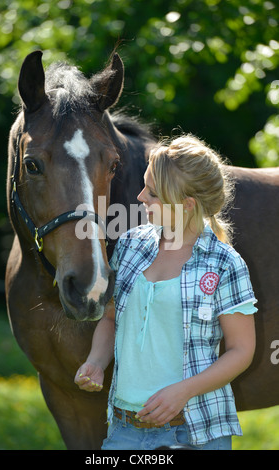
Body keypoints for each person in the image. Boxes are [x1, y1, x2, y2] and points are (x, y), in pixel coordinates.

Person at [74, 134, 257, 450]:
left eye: (153, 193)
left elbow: (241, 350)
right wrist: (95, 361)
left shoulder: (225, 263)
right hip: (125, 429)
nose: (141, 197)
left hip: (196, 433)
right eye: (145, 186)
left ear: (187, 205)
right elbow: (110, 319)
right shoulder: (130, 245)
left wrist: (183, 391)